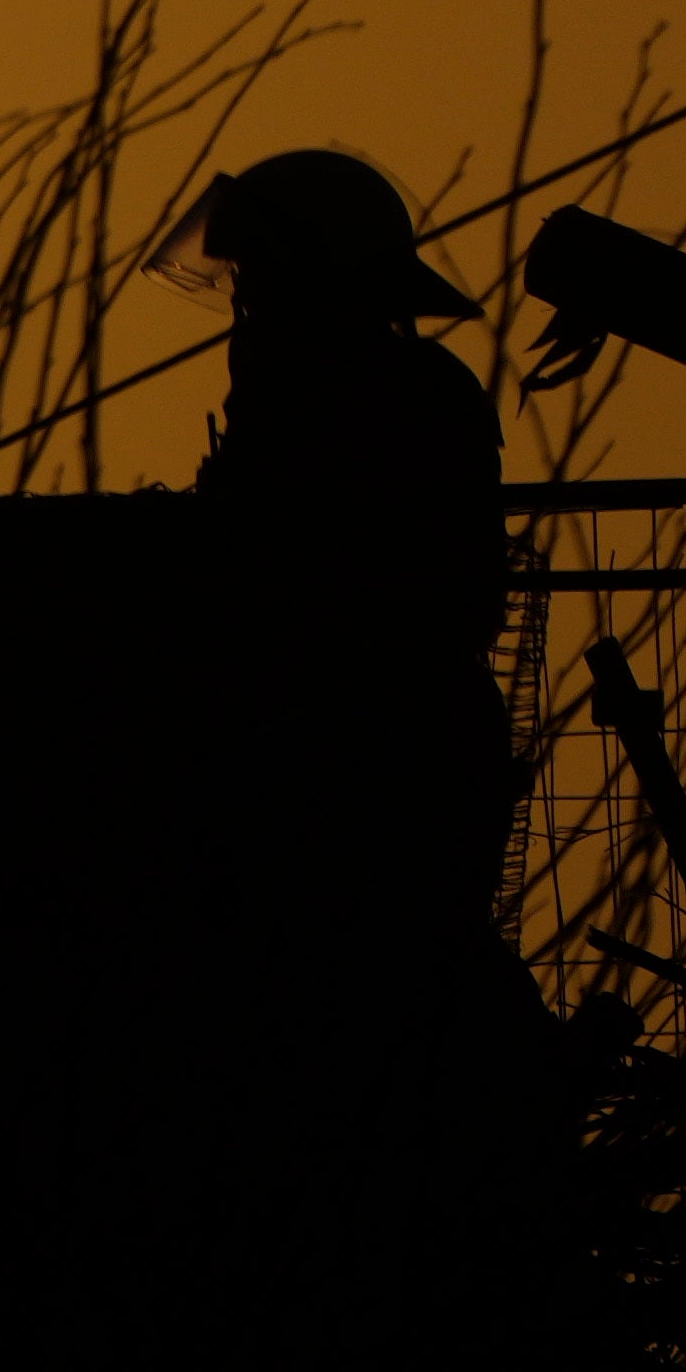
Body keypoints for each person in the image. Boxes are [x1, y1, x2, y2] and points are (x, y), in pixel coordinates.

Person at [184, 148, 512, 999]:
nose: (243, 308)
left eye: (258, 281)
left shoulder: (360, 401)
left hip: (377, 764)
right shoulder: (379, 389)